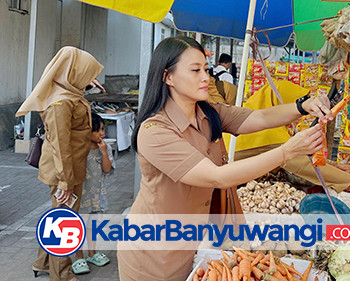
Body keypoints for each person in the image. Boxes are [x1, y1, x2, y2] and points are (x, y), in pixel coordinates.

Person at [117, 36, 333, 281]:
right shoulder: (154, 132)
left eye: (206, 70)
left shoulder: (208, 112)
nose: (205, 77)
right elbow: (216, 177)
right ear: (168, 77)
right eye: (195, 70)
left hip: (192, 241)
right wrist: (287, 151)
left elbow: (258, 118)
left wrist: (303, 106)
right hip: (153, 253)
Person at [16, 46, 103, 281]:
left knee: (60, 217)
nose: (86, 79)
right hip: (63, 172)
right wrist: (65, 182)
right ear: (71, 73)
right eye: (83, 74)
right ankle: (61, 274)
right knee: (64, 223)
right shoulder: (60, 104)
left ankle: (42, 263)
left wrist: (87, 83)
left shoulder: (69, 93)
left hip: (73, 169)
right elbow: (61, 146)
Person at [72, 113, 114, 274]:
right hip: (81, 195)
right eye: (97, 131)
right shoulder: (79, 149)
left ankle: (92, 253)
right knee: (79, 226)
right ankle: (78, 257)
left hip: (97, 195)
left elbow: (107, 169)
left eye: (102, 129)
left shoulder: (105, 147)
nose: (101, 134)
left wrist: (103, 153)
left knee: (93, 225)